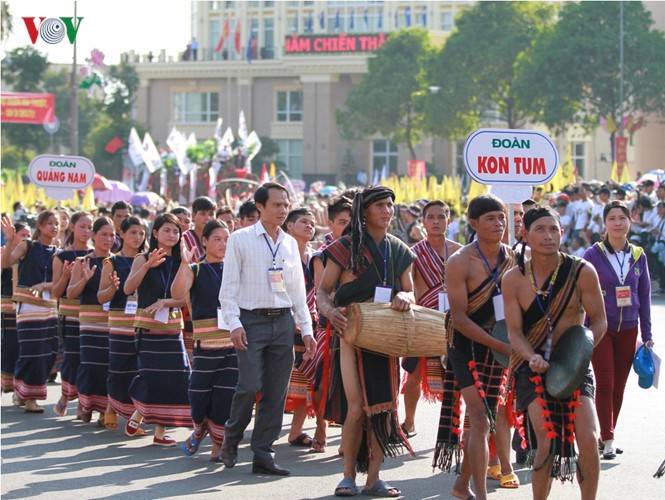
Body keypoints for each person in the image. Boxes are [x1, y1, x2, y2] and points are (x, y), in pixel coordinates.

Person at [316, 185, 415, 498]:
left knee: (384, 409)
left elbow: (411, 291)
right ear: (364, 212)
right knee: (357, 408)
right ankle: (347, 476)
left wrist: (404, 296)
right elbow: (322, 292)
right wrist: (332, 313)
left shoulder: (398, 249)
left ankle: (374, 478)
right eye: (380, 206)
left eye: (390, 205)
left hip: (387, 337)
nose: (387, 211)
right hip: (352, 334)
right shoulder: (344, 247)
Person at [503, 205, 607, 499]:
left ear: (562, 233)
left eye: (554, 230)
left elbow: (599, 322)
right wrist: (531, 356)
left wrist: (579, 357)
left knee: (588, 438)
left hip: (574, 365)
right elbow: (514, 332)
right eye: (540, 229)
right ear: (525, 234)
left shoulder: (582, 271)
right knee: (546, 439)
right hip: (532, 365)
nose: (548, 236)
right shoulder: (513, 279)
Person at [219, 182, 315, 476]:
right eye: (276, 205)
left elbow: (298, 290)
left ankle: (263, 452)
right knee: (249, 386)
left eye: (285, 205)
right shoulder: (240, 239)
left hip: (283, 322)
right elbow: (228, 287)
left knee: (276, 392)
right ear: (259, 207)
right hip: (250, 321)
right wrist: (234, 324)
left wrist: (306, 329)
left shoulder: (289, 243)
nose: (282, 210)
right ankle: (231, 440)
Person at [433, 194, 514, 500]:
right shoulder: (459, 262)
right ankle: (479, 495)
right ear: (473, 223)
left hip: (499, 346)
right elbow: (461, 319)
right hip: (465, 344)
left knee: (486, 419)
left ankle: (459, 487)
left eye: (501, 217)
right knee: (479, 417)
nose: (498, 223)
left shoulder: (514, 259)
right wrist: (500, 345)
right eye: (490, 218)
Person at [583, 200, 654, 459]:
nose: (617, 222)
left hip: (629, 329)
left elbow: (644, 296)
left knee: (619, 387)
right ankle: (609, 440)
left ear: (630, 222)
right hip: (601, 327)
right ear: (604, 224)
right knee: (605, 382)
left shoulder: (638, 255)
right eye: (612, 218)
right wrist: (582, 328)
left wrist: (647, 335)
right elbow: (581, 291)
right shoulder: (592, 254)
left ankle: (605, 435)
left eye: (622, 218)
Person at [124, 213, 192, 446]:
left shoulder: (182, 261)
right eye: (166, 230)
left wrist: (167, 302)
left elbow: (185, 299)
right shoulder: (142, 258)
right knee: (151, 377)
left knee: (176, 378)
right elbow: (127, 288)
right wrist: (147, 266)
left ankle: (160, 432)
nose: (172, 235)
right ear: (155, 234)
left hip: (172, 329)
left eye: (176, 231)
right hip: (147, 327)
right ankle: (139, 413)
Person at [171, 219, 236, 461]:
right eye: (217, 239)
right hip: (205, 346)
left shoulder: (236, 270)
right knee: (198, 393)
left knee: (225, 396)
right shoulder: (196, 269)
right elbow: (177, 293)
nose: (222, 244)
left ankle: (217, 446)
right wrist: (184, 265)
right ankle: (198, 430)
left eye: (227, 239)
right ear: (205, 241)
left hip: (233, 344)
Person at [401, 201, 461, 437]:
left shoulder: (460, 251)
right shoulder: (412, 253)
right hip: (424, 321)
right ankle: (409, 421)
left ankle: (452, 426)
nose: (436, 221)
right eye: (431, 217)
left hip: (455, 322)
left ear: (449, 220)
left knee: (455, 378)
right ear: (423, 222)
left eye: (441, 217)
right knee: (414, 375)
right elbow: (409, 287)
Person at [1, 211, 60, 413]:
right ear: (40, 226)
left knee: (49, 351)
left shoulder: (57, 252)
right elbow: (6, 263)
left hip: (50, 306)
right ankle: (30, 397)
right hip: (28, 306)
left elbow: (62, 282)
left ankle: (21, 388)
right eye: (49, 223)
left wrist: (46, 285)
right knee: (31, 352)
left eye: (56, 223)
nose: (53, 227)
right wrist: (10, 241)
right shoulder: (28, 245)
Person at [282, 208, 326, 451]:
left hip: (310, 324)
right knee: (276, 380)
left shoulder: (315, 257)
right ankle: (261, 433)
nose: (309, 226)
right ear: (289, 226)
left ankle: (297, 431)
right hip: (282, 322)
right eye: (302, 222)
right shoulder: (279, 252)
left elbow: (321, 290)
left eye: (311, 223)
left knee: (309, 378)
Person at [98, 216, 147, 434]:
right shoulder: (112, 262)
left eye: (141, 233)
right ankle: (111, 406)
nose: (138, 237)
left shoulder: (148, 259)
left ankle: (133, 415)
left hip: (142, 321)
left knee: (139, 369)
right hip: (119, 321)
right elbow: (101, 296)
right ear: (122, 234)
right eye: (133, 232)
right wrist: (112, 288)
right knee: (118, 367)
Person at [66, 217, 116, 424]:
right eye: (104, 234)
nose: (108, 239)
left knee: (108, 365)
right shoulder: (82, 261)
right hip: (89, 321)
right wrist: (84, 279)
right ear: (94, 235)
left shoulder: (117, 260)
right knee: (90, 364)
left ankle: (105, 409)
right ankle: (85, 405)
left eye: (112, 235)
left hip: (112, 321)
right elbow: (70, 293)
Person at [51, 211, 94, 418]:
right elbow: (56, 292)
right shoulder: (62, 256)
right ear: (72, 228)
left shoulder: (97, 256)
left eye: (90, 227)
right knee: (71, 359)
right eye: (82, 226)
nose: (87, 231)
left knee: (88, 361)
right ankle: (66, 395)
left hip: (93, 318)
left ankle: (83, 402)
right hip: (69, 315)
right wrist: (66, 277)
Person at [1, 222, 31, 401]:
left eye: (28, 235)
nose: (25, 239)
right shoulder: (6, 253)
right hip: (9, 310)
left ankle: (22, 388)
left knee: (27, 351)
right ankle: (11, 385)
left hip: (29, 310)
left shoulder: (32, 255)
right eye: (22, 235)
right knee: (11, 349)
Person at [182, 196, 217, 263]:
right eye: (202, 214)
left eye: (211, 214)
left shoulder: (219, 238)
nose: (208, 218)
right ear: (193, 216)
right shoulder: (185, 238)